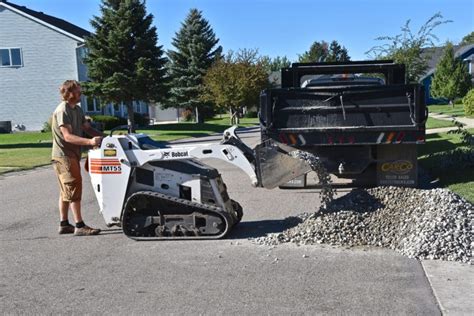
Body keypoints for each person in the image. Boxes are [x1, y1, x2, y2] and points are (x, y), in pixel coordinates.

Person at [51, 80, 104, 236]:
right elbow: (67, 136)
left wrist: (106, 139)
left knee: (66, 190)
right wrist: (89, 142)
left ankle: (64, 224)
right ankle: (79, 225)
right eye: (78, 92)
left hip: (71, 155)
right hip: (63, 156)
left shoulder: (77, 110)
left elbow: (87, 128)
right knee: (74, 187)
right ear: (69, 93)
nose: (81, 94)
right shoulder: (62, 110)